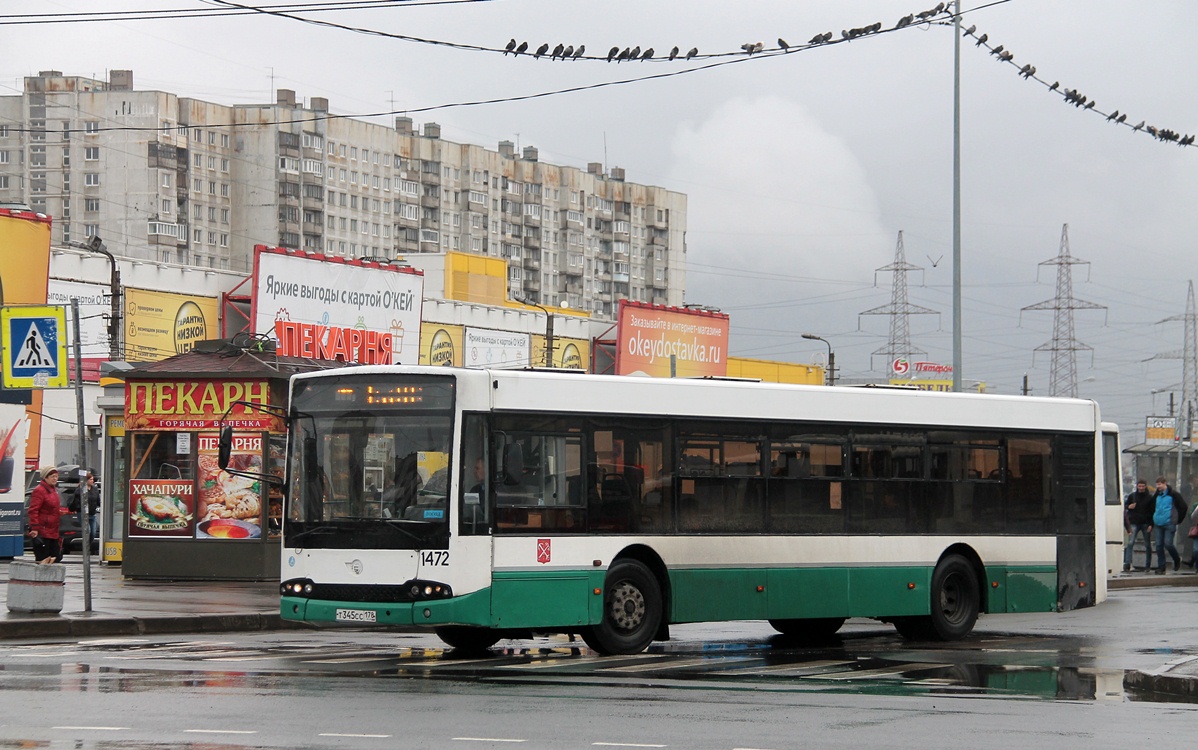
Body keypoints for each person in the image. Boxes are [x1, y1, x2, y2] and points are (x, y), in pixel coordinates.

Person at [1150, 476, 1188, 574]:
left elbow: (1183, 507)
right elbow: (1152, 507)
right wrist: (1152, 520)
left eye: (1160, 484)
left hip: (1169, 523)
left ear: (1165, 483)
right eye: (1157, 485)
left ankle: (1176, 559)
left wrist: (1178, 520)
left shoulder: (1174, 495)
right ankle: (1161, 567)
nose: (1158, 487)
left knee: (1168, 544)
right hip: (1158, 523)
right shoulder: (1157, 495)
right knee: (1158, 545)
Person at [27, 466, 63, 564]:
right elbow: (33, 510)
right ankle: (42, 578)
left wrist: (62, 512)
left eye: (56, 476)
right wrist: (35, 527)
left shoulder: (54, 490)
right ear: (45, 478)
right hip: (43, 530)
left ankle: (52, 579)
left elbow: (53, 508)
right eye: (52, 476)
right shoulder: (40, 490)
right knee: (44, 559)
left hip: (53, 530)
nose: (55, 478)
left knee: (56, 557)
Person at [1123, 479, 1154, 572]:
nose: (1141, 488)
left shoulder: (1149, 498)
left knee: (1147, 544)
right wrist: (1129, 506)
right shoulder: (1132, 496)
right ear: (1137, 486)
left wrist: (1151, 524)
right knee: (1130, 542)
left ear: (1145, 486)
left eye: (1142, 486)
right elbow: (1125, 506)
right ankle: (1127, 563)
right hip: (1134, 522)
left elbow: (1152, 511)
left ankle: (1148, 565)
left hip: (1145, 522)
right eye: (1139, 486)